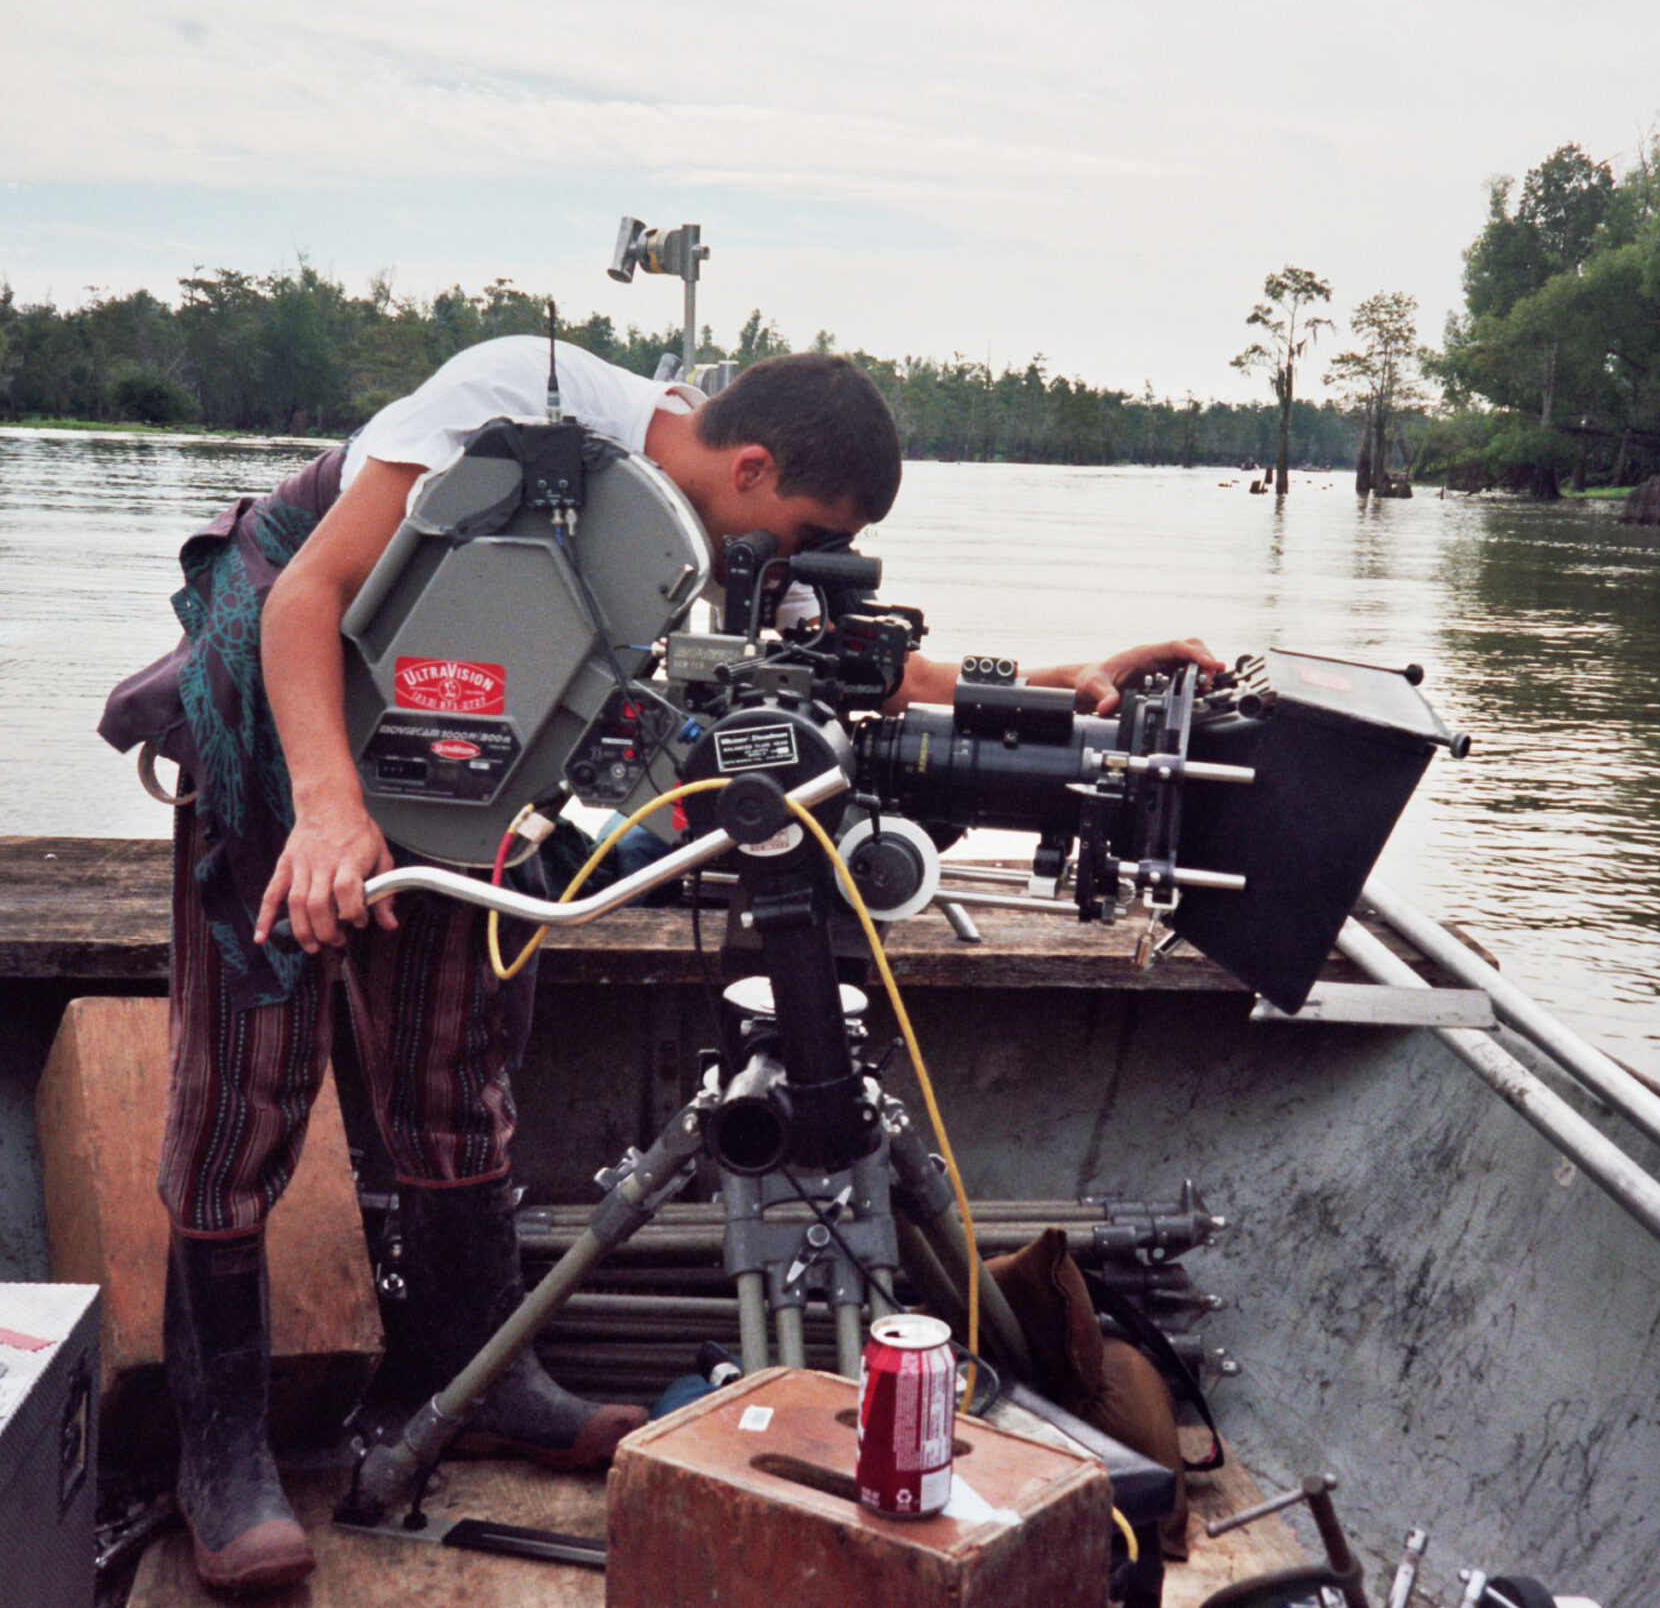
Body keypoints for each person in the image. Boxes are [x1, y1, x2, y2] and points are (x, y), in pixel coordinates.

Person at [102, 338, 1216, 1594]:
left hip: (467, 748)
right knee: (244, 1088)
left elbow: (844, 675)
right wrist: (323, 807)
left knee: (454, 1062)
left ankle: (480, 1380)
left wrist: (1062, 684)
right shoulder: (514, 402)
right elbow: (306, 594)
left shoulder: (726, 537)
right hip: (291, 712)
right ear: (752, 467)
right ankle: (221, 1453)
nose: (801, 562)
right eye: (806, 532)